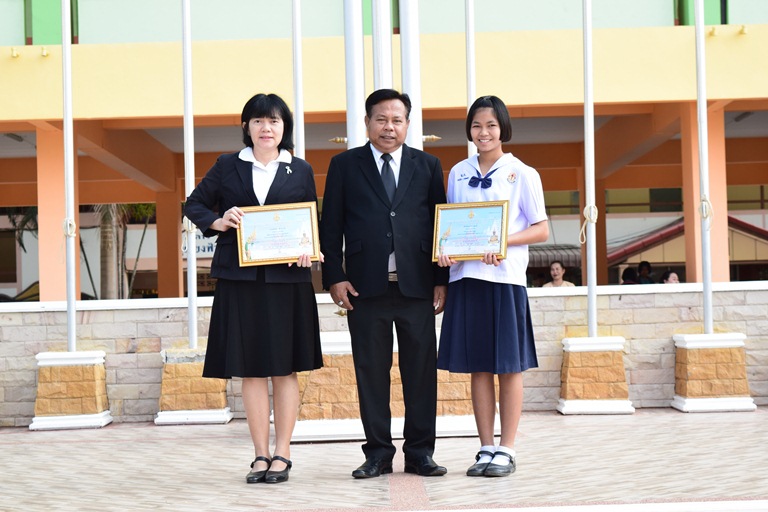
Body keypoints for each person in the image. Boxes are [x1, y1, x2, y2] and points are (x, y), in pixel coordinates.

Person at [184, 93, 322, 485]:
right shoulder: (227, 165)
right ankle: (260, 454)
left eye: (274, 121)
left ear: (284, 127)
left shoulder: (300, 170)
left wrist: (309, 250)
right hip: (240, 281)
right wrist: (219, 220)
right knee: (251, 368)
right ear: (247, 126)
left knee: (285, 367)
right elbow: (194, 205)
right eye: (259, 121)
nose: (266, 128)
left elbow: (310, 222)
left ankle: (283, 452)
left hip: (287, 281)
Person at [320, 89, 449, 479]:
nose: (389, 127)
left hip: (417, 287)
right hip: (364, 288)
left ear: (407, 124)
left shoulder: (428, 165)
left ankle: (420, 453)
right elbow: (331, 226)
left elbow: (440, 224)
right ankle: (377, 453)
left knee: (421, 374)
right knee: (371, 373)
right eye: (381, 119)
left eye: (397, 120)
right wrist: (335, 277)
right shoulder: (344, 165)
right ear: (367, 123)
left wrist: (441, 280)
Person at [436, 95, 549, 478]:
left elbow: (541, 229)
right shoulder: (458, 172)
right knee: (478, 367)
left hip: (504, 281)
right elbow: (452, 224)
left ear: (503, 129)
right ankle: (485, 447)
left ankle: (507, 448)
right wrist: (445, 251)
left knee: (509, 367)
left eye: (491, 125)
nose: (483, 133)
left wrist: (502, 242)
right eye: (476, 126)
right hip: (467, 279)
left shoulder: (522, 173)